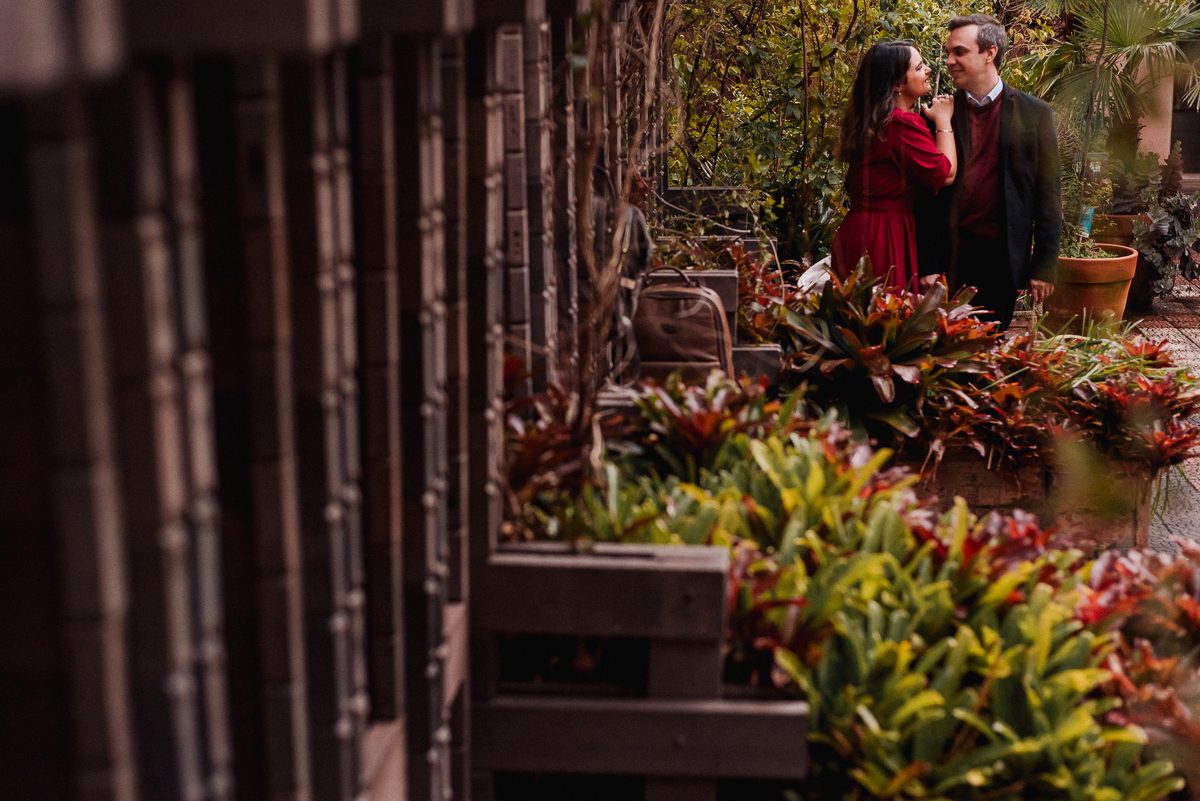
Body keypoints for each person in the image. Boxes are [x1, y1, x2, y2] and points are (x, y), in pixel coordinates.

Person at [917, 13, 1061, 330]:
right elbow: (925, 197)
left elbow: (1049, 195)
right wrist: (927, 263)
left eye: (960, 52)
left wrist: (1044, 266)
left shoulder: (1035, 114)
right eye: (948, 52)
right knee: (943, 349)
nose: (949, 61)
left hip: (1002, 261)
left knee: (991, 346)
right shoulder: (940, 116)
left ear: (989, 53)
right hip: (950, 261)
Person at [831, 40, 958, 292]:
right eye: (919, 67)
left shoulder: (872, 120)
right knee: (884, 306)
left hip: (858, 228)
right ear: (897, 84)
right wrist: (944, 120)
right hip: (882, 233)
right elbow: (946, 174)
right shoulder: (900, 123)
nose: (928, 70)